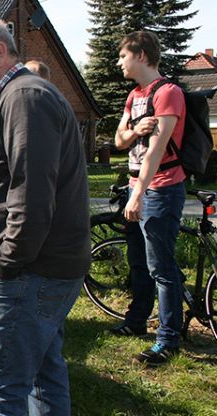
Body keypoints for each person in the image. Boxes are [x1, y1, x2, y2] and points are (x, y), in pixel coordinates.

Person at [0, 19, 90, 415]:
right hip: (38, 271)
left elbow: (31, 195)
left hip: (30, 273)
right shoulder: (17, 97)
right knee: (43, 378)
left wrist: (5, 265)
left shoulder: (25, 97)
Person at [111, 31, 186, 366]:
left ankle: (169, 339)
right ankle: (137, 319)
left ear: (141, 55)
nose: (119, 62)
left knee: (162, 268)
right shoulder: (133, 96)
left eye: (123, 55)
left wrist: (138, 195)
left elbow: (156, 153)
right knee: (138, 261)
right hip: (136, 186)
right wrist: (135, 131)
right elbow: (119, 140)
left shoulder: (169, 93)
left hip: (161, 189)